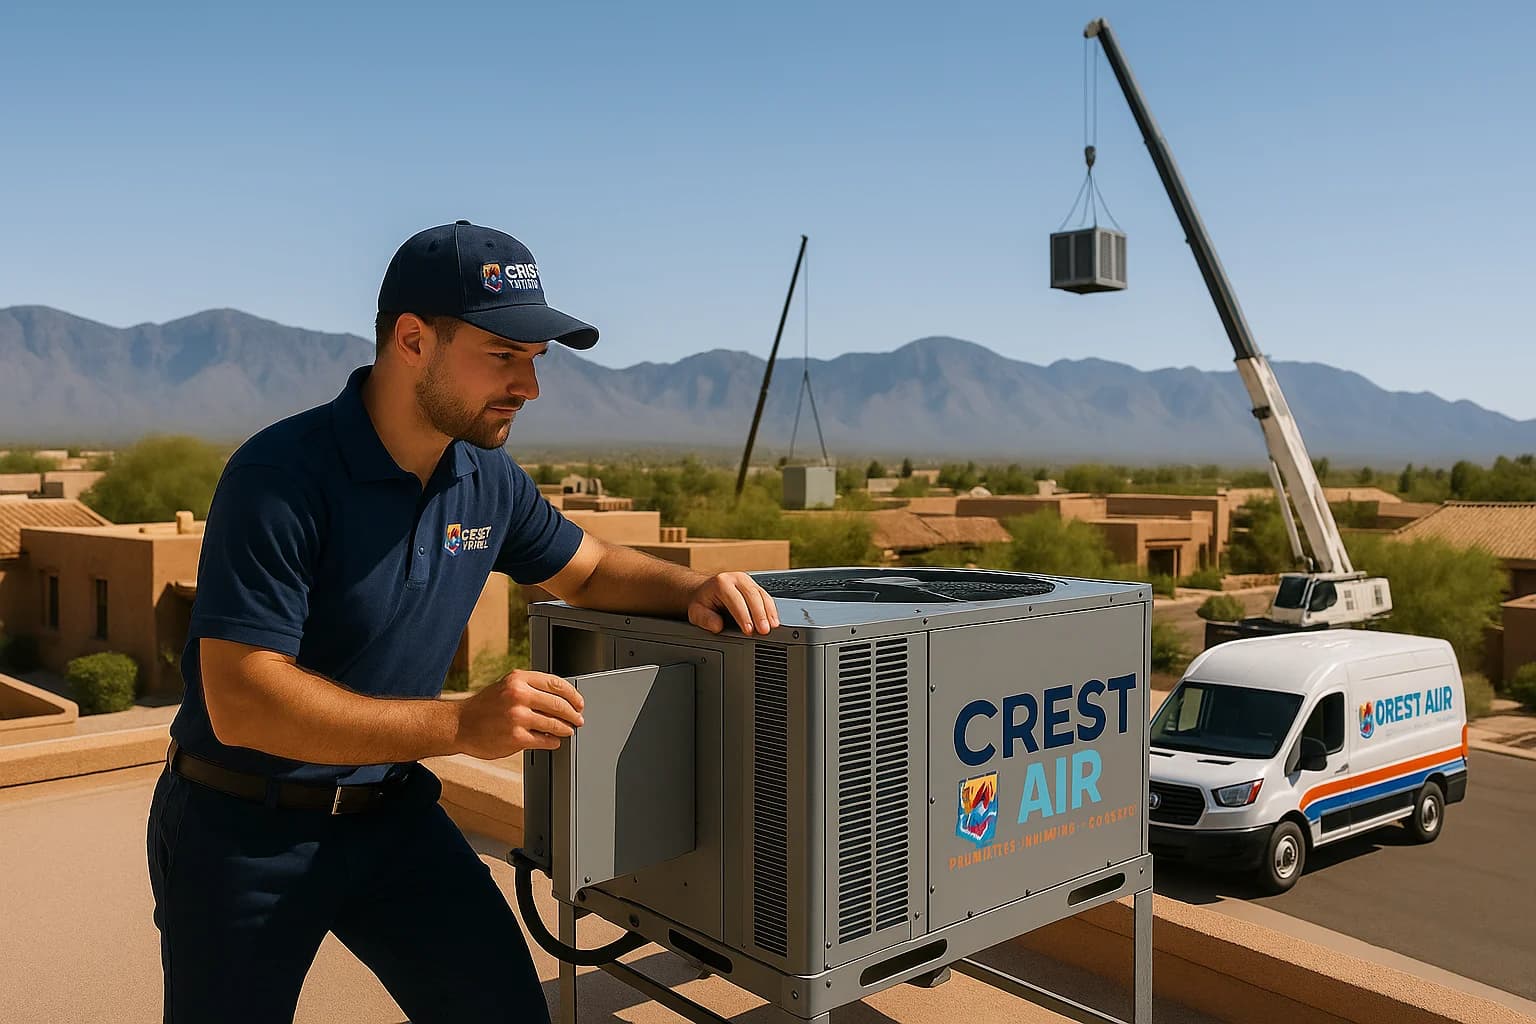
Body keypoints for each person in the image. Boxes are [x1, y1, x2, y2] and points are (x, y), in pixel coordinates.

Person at [146, 220, 780, 1024]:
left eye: (534, 362)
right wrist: (461, 723)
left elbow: (585, 568)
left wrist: (695, 588)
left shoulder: (484, 477)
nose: (530, 387)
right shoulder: (279, 477)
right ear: (413, 339)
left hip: (391, 817)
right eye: (504, 356)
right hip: (241, 829)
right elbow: (242, 701)